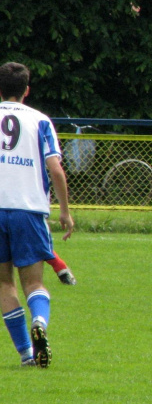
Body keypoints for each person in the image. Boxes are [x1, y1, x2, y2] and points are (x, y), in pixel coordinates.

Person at [0, 62, 74, 367]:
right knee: (33, 284)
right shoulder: (40, 121)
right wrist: (65, 212)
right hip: (29, 209)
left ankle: (27, 354)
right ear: (26, 90)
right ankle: (39, 323)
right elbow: (55, 168)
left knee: (4, 285)